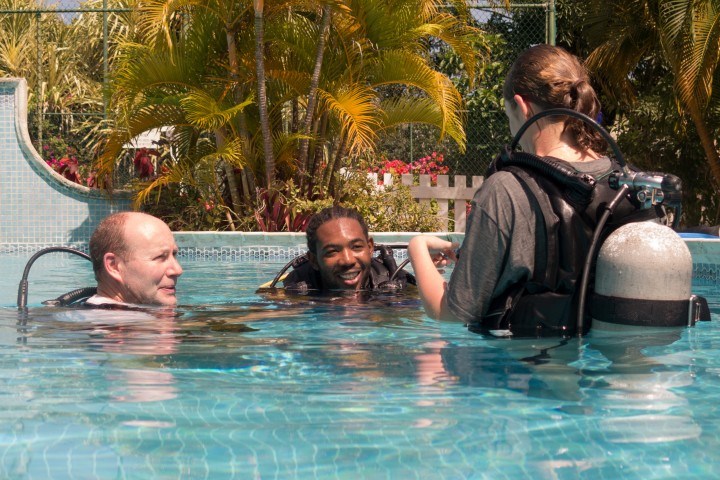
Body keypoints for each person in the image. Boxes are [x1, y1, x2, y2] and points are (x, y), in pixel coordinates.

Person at [408, 44, 664, 337]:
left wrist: (417, 247)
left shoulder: (505, 189)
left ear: (522, 105)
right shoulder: (633, 187)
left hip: (525, 375)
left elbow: (451, 312)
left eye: (509, 115)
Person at [282, 206, 413, 293]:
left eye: (356, 247)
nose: (347, 260)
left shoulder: (399, 286)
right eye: (332, 251)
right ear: (314, 260)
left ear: (370, 247)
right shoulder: (296, 292)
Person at [86, 211, 183, 307]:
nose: (178, 270)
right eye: (160, 257)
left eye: (174, 254)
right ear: (114, 266)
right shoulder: (115, 320)